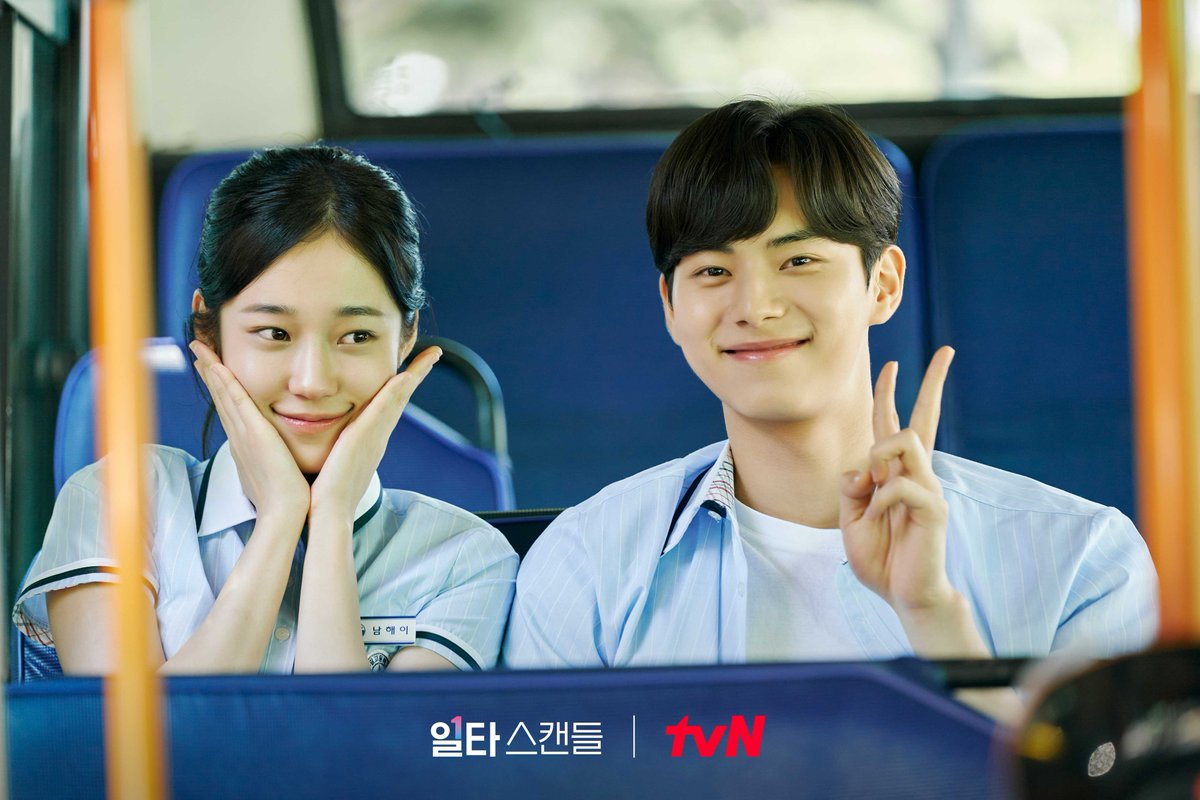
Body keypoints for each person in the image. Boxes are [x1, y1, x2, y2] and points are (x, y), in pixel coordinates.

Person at [503, 101, 1157, 685]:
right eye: (713, 270)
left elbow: (1096, 773)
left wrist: (933, 614)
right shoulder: (588, 560)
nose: (754, 306)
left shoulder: (1079, 556)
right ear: (671, 307)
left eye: (798, 260)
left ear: (883, 284)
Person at [14, 145, 517, 674]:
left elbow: (352, 730)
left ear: (405, 338)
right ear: (208, 329)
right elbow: (135, 731)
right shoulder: (118, 500)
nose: (313, 382)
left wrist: (331, 522)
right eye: (275, 333)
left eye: (357, 336)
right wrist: (279, 519)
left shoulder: (465, 559)